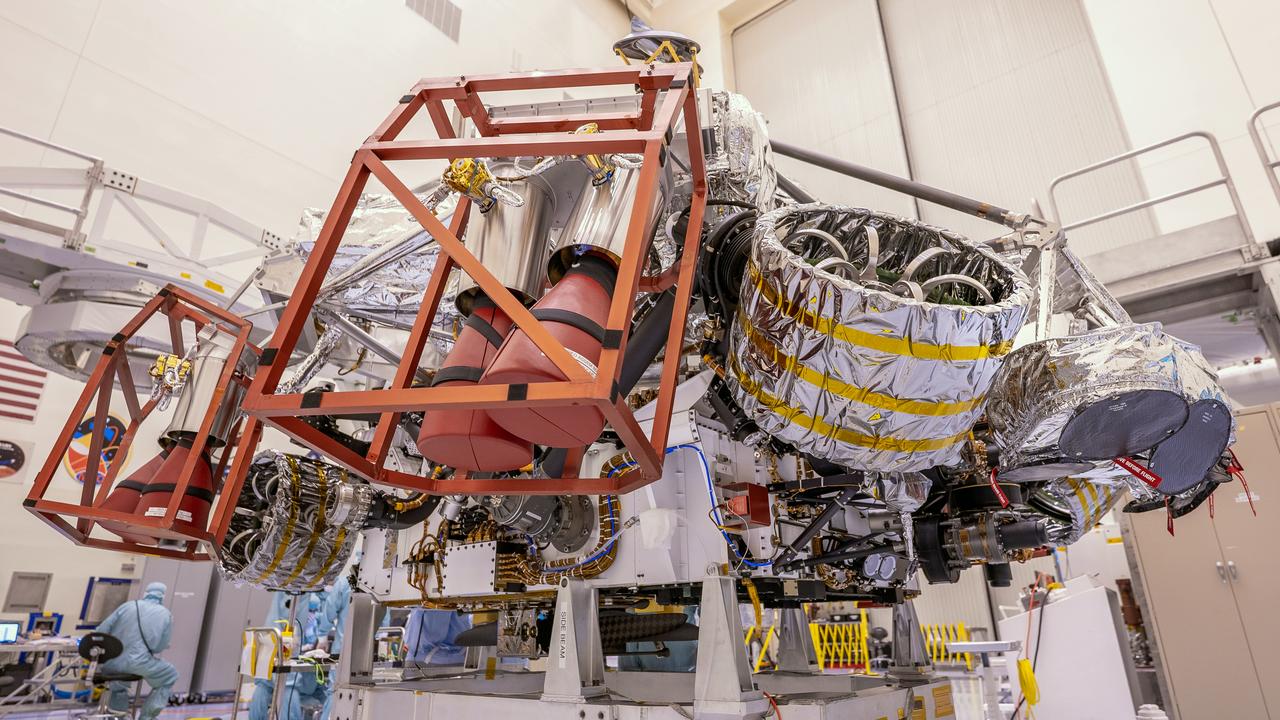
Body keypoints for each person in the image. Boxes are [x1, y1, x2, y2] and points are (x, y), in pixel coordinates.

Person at [95, 582, 177, 720]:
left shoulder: (128, 606)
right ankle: (147, 717)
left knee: (118, 684)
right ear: (162, 596)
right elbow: (159, 647)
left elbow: (101, 631)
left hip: (112, 663)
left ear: (146, 593)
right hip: (139, 664)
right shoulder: (165, 614)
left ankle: (117, 716)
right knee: (170, 676)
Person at [248, 592, 326, 720]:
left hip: (270, 641)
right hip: (286, 643)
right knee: (288, 684)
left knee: (265, 684)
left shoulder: (283, 590)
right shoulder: (300, 591)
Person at [404, 609, 471, 665]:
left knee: (455, 605)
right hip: (425, 656)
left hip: (427, 657)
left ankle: (455, 650)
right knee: (437, 604)